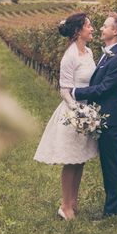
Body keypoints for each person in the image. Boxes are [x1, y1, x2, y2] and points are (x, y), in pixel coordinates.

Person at [34, 13, 98, 220]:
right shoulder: (69, 56)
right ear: (79, 31)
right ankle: (64, 205)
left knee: (80, 160)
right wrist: (77, 110)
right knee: (70, 160)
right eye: (89, 25)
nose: (92, 29)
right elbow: (64, 90)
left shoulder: (88, 52)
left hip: (86, 110)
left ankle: (73, 202)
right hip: (73, 113)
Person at [73, 13, 117, 217]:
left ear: (115, 31)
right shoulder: (109, 54)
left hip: (111, 118)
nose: (100, 29)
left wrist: (75, 92)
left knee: (112, 164)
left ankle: (112, 211)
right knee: (107, 163)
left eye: (105, 26)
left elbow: (104, 88)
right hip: (103, 116)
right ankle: (112, 207)